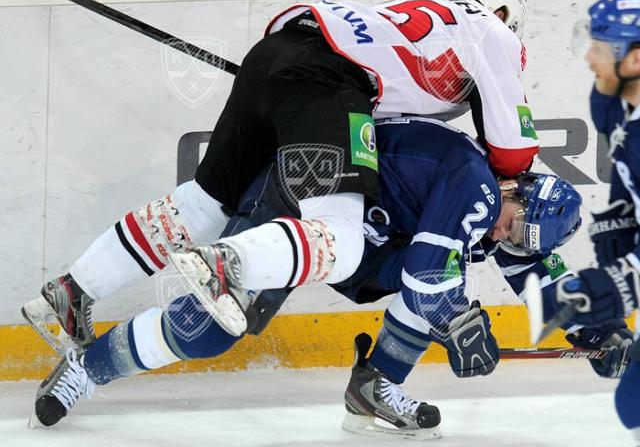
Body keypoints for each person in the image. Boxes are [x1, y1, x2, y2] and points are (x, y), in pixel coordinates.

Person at [22, 0, 538, 431]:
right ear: (503, 10)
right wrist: (506, 178)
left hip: (277, 57)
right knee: (341, 241)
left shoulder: (435, 22)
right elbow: (514, 150)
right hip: (326, 88)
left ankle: (76, 289)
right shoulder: (491, 32)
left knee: (201, 206)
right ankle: (230, 263)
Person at [27, 118, 580, 440]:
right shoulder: (475, 182)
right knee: (209, 330)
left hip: (362, 236)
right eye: (517, 227)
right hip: (308, 200)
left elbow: (533, 271)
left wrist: (597, 331)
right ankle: (86, 367)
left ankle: (373, 387)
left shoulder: (497, 203)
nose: (508, 238)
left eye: (520, 239)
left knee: (440, 283)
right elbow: (428, 276)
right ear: (518, 190)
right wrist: (458, 321)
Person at [534, 0, 640, 444]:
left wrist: (619, 284)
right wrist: (619, 219)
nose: (589, 58)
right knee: (633, 403)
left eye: (600, 47)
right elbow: (624, 165)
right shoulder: (609, 101)